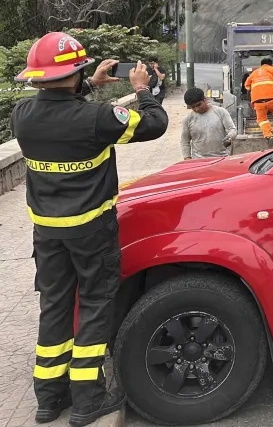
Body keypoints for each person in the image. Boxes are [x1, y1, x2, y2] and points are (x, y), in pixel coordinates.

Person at [11, 32, 169, 426]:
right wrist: (142, 89)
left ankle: (49, 399)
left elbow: (61, 110)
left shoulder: (22, 116)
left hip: (46, 233)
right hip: (92, 231)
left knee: (55, 307)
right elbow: (155, 124)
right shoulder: (96, 119)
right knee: (96, 306)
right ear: (77, 72)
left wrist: (89, 85)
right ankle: (88, 401)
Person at [181, 88, 237, 159]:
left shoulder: (221, 112)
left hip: (222, 158)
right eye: (193, 107)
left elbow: (232, 129)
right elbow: (184, 141)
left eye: (198, 105)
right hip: (199, 160)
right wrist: (187, 158)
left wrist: (229, 137)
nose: (196, 109)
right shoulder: (188, 119)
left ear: (205, 99)